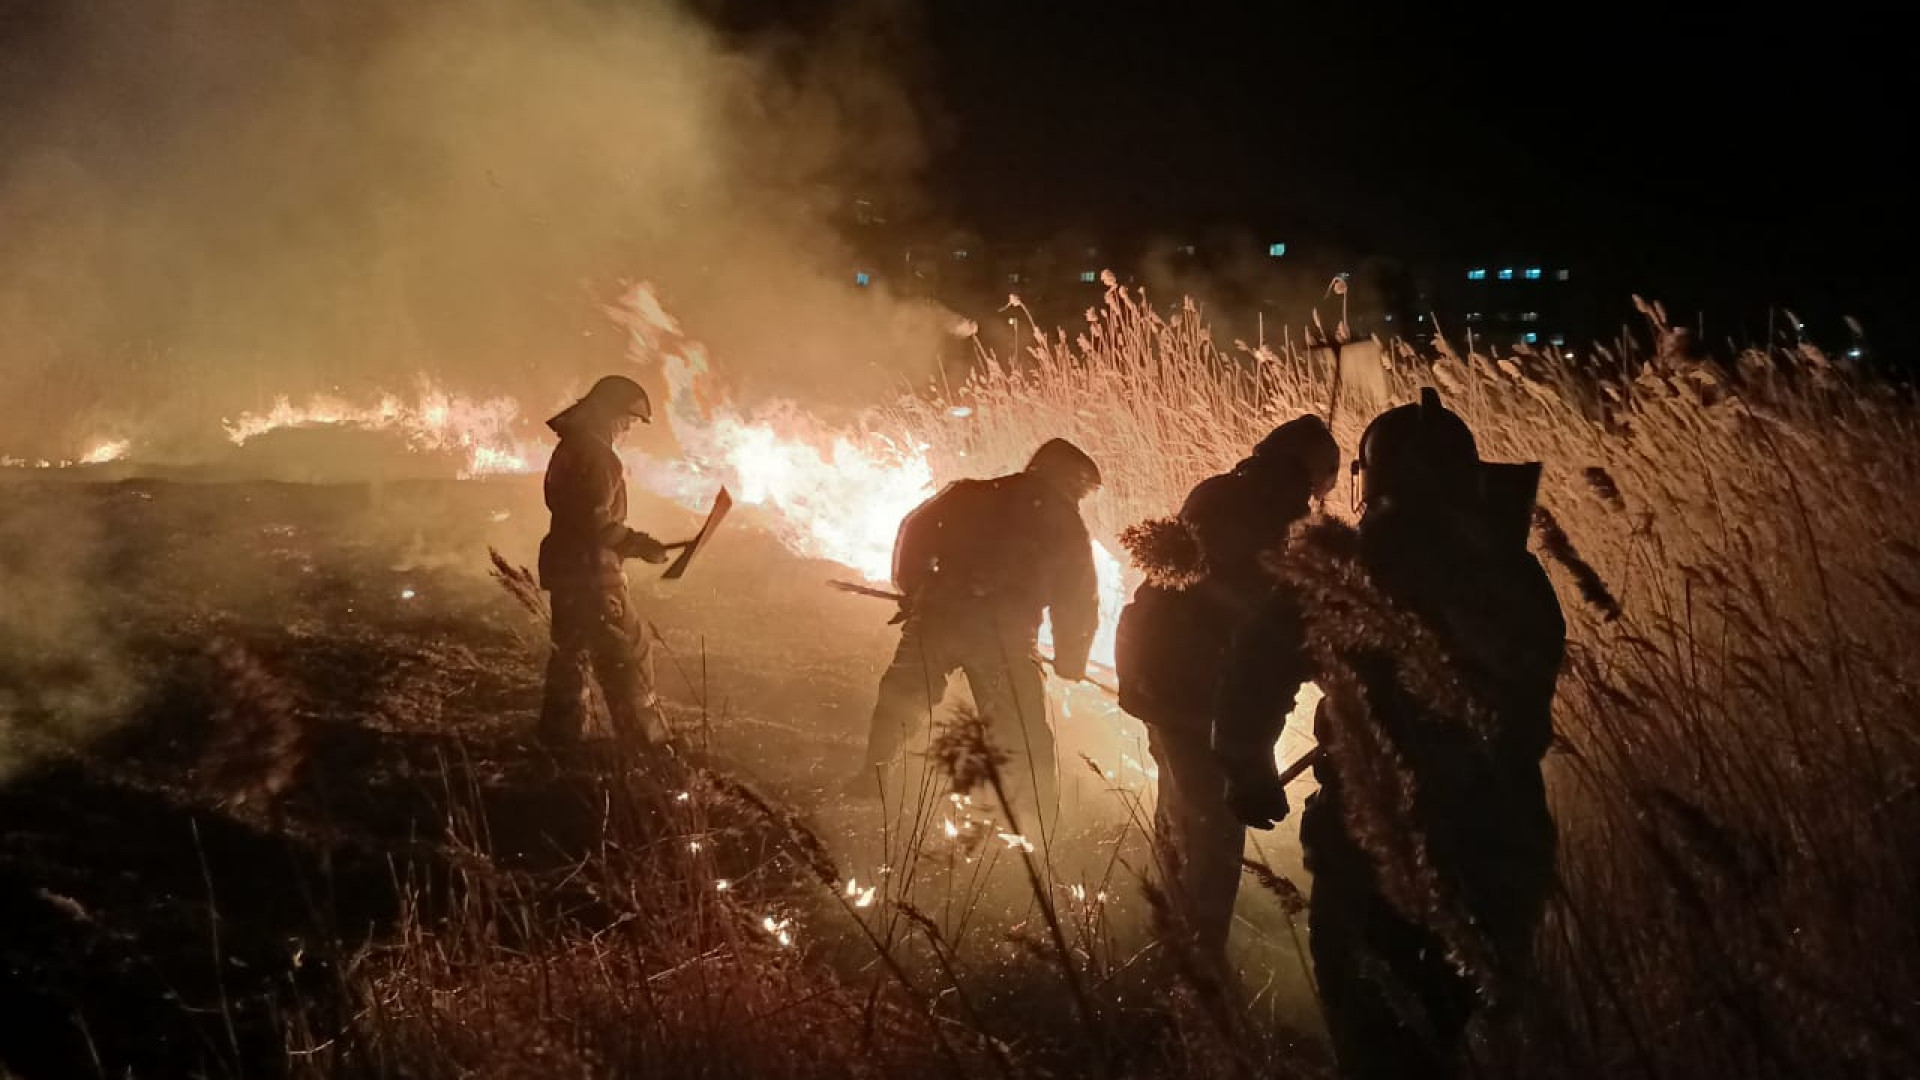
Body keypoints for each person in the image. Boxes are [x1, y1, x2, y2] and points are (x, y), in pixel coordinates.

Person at [1216, 388, 1565, 1079]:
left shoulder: (1344, 571)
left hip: (1369, 837)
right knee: (1456, 1029)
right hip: (1500, 840)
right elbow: (1525, 693)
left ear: (1369, 482)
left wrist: (1245, 764)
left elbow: (1257, 663)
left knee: (1374, 1034)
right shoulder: (1515, 574)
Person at [1114, 415, 1338, 962]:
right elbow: (1277, 636)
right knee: (1214, 835)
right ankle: (1198, 965)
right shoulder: (1287, 523)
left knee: (1178, 813)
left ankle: (1168, 929)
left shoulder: (1212, 493)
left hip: (1157, 679)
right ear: (1314, 475)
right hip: (1209, 694)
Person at [848, 439, 1102, 834]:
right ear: (1067, 478)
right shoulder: (1065, 524)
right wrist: (1072, 656)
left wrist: (914, 590)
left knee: (903, 696)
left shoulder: (967, 493)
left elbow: (911, 533)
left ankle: (871, 776)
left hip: (937, 617)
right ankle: (1040, 824)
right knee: (1024, 731)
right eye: (1081, 490)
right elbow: (1077, 598)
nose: (1079, 499)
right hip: (1005, 638)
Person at [537, 374, 675, 748]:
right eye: (628, 419)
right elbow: (594, 521)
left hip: (567, 570)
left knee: (571, 656)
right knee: (628, 650)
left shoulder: (570, 448)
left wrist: (633, 543)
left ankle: (559, 740)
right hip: (591, 574)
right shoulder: (598, 456)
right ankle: (647, 744)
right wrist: (638, 544)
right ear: (609, 412)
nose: (629, 427)